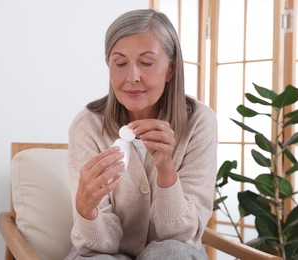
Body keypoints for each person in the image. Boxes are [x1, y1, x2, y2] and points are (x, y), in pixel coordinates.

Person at [65, 9, 217, 260]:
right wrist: (86, 210)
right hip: (100, 252)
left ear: (171, 69)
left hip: (174, 253)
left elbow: (182, 234)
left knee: (172, 252)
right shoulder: (88, 125)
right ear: (108, 66)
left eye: (146, 63)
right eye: (120, 63)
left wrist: (166, 169)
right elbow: (94, 246)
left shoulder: (199, 122)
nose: (132, 77)